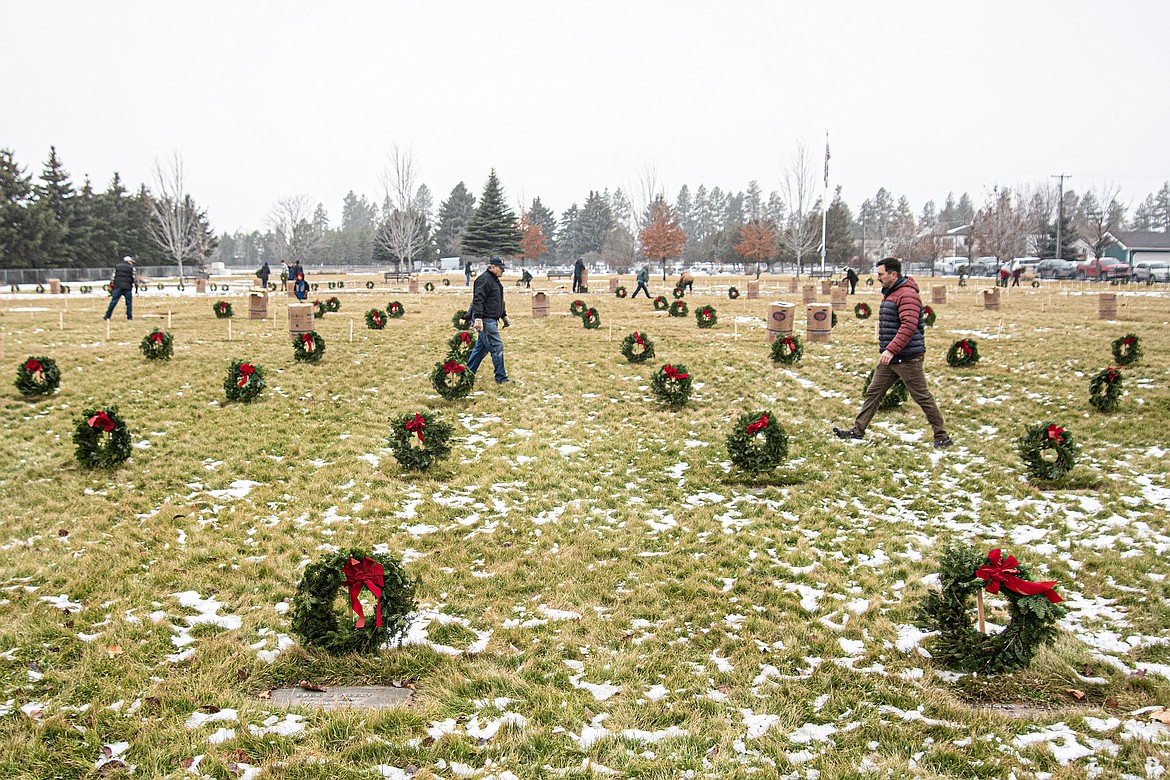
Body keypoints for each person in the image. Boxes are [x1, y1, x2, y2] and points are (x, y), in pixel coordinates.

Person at [833, 257, 952, 449]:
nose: (877, 277)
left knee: (922, 397)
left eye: (881, 274)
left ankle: (942, 436)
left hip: (907, 357)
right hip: (892, 357)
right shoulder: (893, 293)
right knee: (874, 392)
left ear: (893, 274)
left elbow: (909, 325)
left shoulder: (907, 295)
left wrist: (891, 349)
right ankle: (857, 431)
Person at [465, 257, 511, 384]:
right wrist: (478, 318)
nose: (503, 271)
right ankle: (501, 378)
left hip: (491, 318)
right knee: (497, 346)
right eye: (501, 269)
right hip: (486, 319)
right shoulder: (484, 280)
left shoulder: (494, 280)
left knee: (480, 349)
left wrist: (503, 315)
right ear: (492, 267)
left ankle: (468, 373)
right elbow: (478, 300)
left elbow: (496, 301)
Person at [103, 256, 136, 321]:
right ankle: (129, 317)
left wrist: (112, 285)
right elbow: (134, 278)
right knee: (129, 303)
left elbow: (113, 277)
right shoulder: (132, 268)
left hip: (118, 287)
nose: (132, 263)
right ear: (128, 261)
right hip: (127, 288)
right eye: (131, 261)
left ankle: (107, 316)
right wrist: (136, 287)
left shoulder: (117, 267)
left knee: (113, 302)